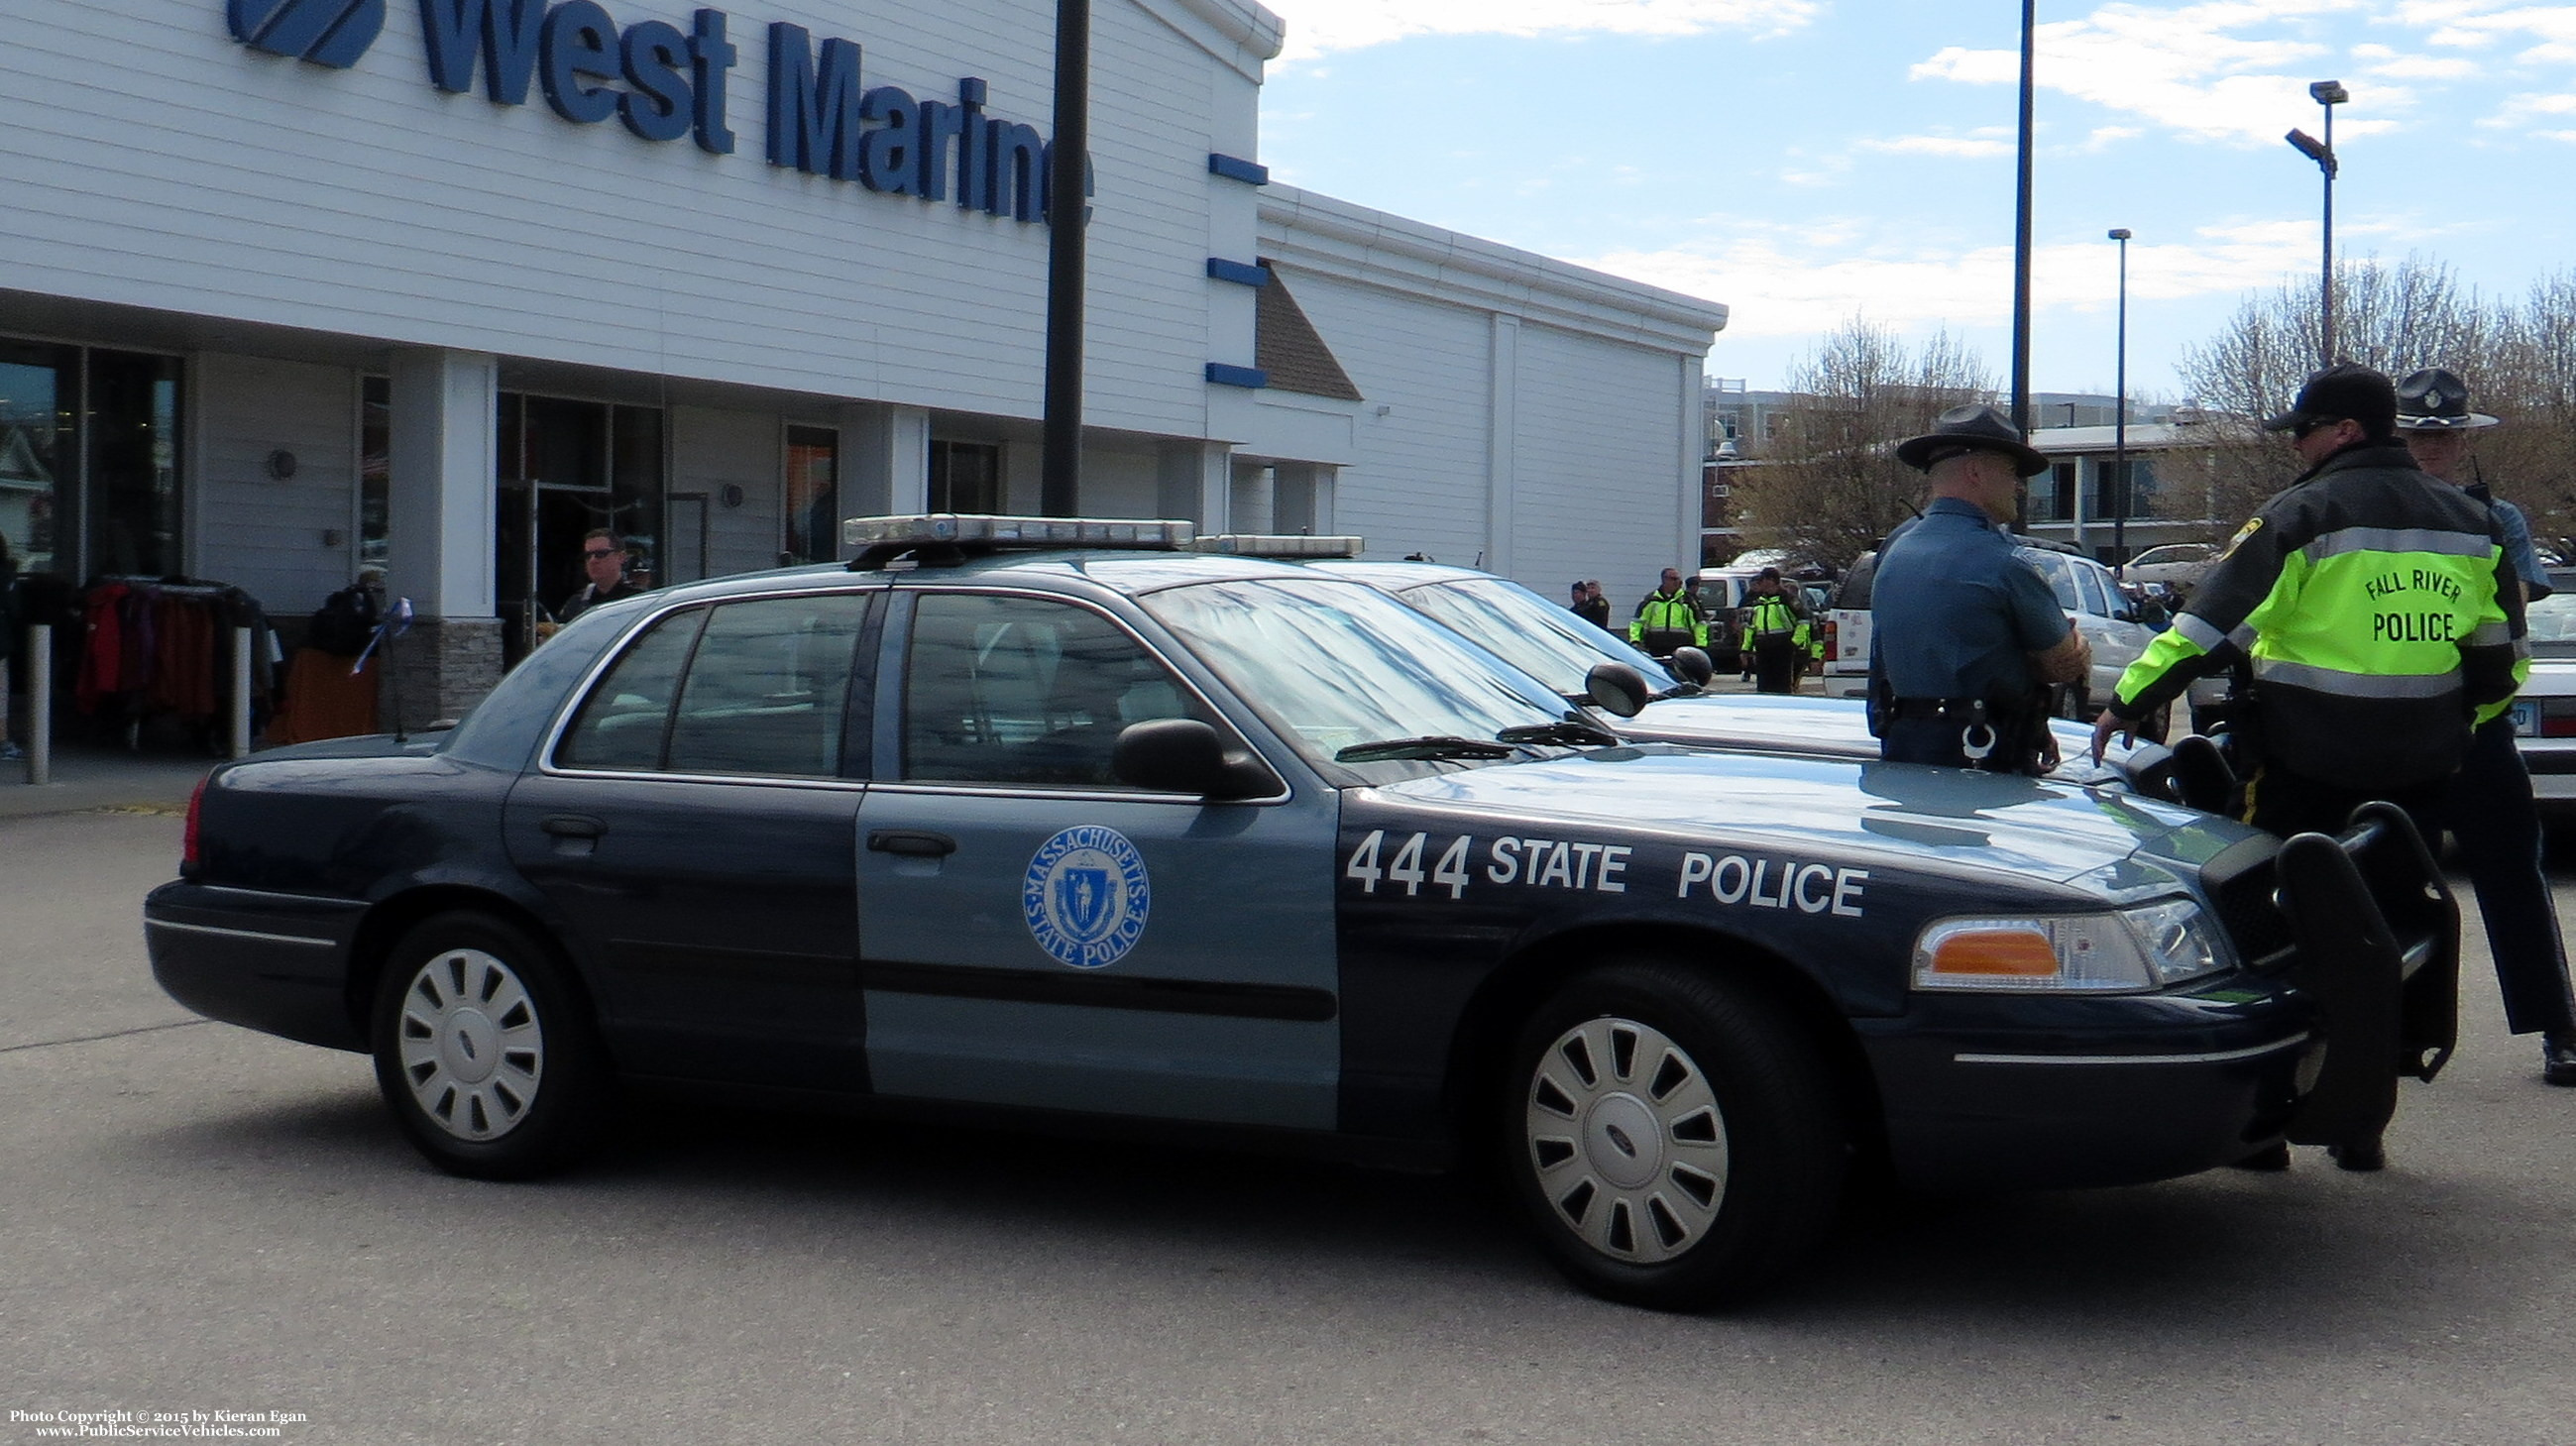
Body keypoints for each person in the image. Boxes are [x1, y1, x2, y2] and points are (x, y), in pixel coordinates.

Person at [2090, 363, 2521, 842]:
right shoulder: (2473, 522)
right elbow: (2502, 658)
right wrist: (2453, 728)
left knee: (2264, 891)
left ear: (2346, 431)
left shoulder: (2300, 514)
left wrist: (2131, 700)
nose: (2295, 443)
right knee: (2396, 902)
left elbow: (2207, 627)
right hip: (2423, 771)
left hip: (2303, 767)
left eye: (2303, 429)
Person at [2395, 367, 2576, 1085]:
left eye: (2444, 434)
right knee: (2385, 886)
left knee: (2513, 878)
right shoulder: (2369, 514)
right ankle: (2392, 1036)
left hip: (2477, 727)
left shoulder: (2497, 519)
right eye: (2418, 434)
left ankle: (2557, 1026)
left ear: (2463, 439)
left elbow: (2517, 601)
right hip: (2392, 727)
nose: (2432, 446)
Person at [1867, 405, 2088, 771]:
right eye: (2012, 472)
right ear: (1974, 472)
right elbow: (2063, 663)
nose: (2019, 486)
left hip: (1906, 750)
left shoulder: (1893, 554)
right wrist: (2075, 649)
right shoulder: (2002, 563)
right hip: (1983, 756)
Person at [1738, 567, 1810, 695]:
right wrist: (1746, 649)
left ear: (1771, 580)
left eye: (1762, 580)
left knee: (1782, 684)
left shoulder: (1787, 599)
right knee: (1763, 685)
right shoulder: (1758, 601)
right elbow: (1751, 627)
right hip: (1763, 646)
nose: (1759, 583)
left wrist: (1794, 643)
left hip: (1782, 645)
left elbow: (1803, 622)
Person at [557, 529, 644, 624]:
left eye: (601, 554)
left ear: (621, 557)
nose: (593, 560)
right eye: (588, 555)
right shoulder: (576, 603)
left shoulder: (638, 600)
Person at [1628, 567, 1706, 658]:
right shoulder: (1652, 600)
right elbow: (1637, 622)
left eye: (1678, 579)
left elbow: (1699, 624)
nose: (1678, 582)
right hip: (1656, 646)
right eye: (1674, 579)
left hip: (1681, 645)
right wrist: (1635, 640)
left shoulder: (1687, 600)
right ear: (1664, 580)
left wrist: (1701, 645)